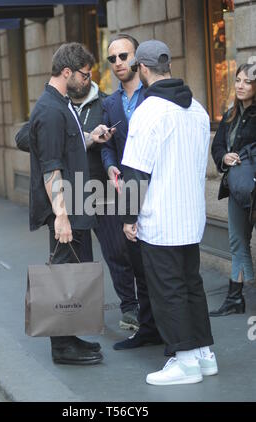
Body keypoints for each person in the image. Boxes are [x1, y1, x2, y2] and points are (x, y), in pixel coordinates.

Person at [15, 60, 140, 333]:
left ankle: (130, 307)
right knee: (78, 259)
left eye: (88, 76)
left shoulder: (105, 104)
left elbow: (119, 146)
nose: (85, 80)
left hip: (103, 192)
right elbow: (23, 137)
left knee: (117, 251)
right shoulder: (57, 107)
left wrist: (102, 144)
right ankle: (85, 314)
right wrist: (80, 138)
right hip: (73, 196)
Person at [121, 40, 217, 385]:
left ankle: (185, 360)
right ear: (168, 65)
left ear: (142, 69)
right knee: (191, 284)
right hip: (191, 217)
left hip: (160, 218)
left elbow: (135, 172)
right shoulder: (198, 109)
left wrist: (129, 218)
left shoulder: (149, 111)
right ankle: (205, 355)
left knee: (168, 289)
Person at [27, 42, 113, 365]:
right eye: (85, 74)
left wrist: (91, 138)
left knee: (71, 275)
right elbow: (51, 167)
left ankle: (70, 337)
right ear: (67, 72)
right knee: (62, 275)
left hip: (78, 207)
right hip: (66, 211)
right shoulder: (50, 110)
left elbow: (68, 146)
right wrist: (61, 215)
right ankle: (62, 348)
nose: (88, 80)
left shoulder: (61, 104)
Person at [101, 34, 163, 351]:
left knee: (162, 264)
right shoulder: (109, 104)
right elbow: (109, 148)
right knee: (137, 261)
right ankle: (148, 327)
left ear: (138, 58)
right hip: (127, 192)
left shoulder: (155, 95)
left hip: (158, 189)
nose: (118, 63)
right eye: (112, 59)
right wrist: (111, 167)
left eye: (123, 56)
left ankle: (170, 328)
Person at [210, 63, 256, 317]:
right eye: (237, 80)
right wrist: (224, 157)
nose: (240, 85)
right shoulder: (230, 115)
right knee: (238, 242)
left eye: (246, 81)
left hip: (254, 189)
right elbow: (217, 146)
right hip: (237, 190)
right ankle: (238, 298)